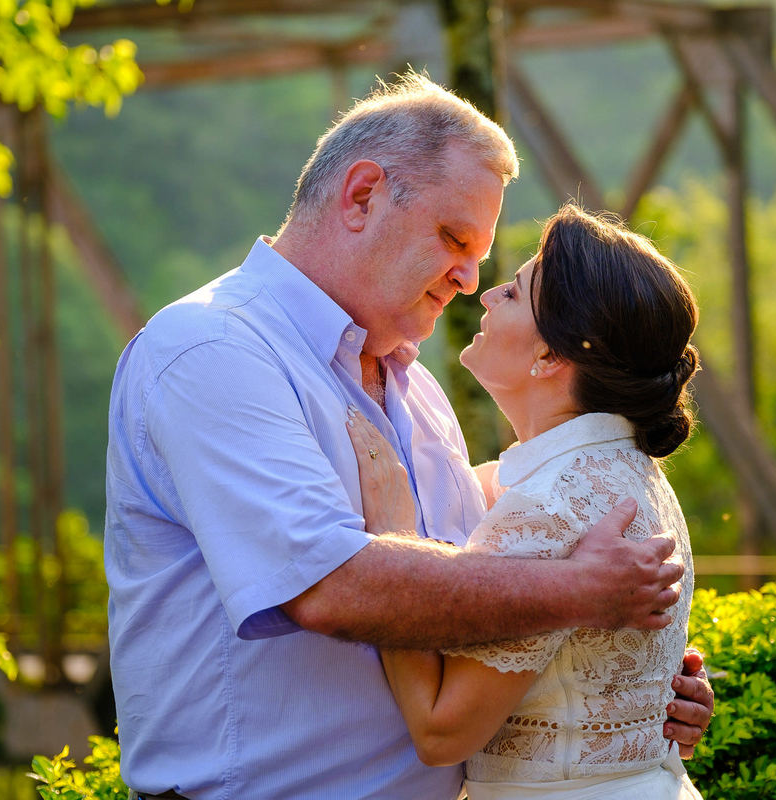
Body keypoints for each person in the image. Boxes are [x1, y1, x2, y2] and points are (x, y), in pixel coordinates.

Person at [104, 73, 712, 799]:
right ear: (363, 195)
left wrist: (620, 698)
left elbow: (486, 584)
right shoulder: (213, 350)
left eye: (483, 256)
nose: (470, 280)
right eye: (455, 239)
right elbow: (330, 587)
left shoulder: (416, 390)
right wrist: (581, 594)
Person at [346, 204, 703, 799]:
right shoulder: (631, 472)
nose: (485, 296)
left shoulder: (549, 504)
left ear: (550, 358)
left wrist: (390, 534)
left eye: (512, 293)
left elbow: (440, 731)